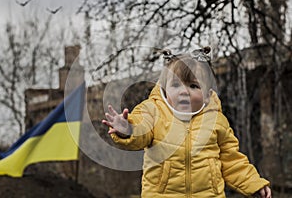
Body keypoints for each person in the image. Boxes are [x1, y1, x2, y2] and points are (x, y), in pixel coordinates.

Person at [102, 47, 272, 198]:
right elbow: (141, 131)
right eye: (175, 85)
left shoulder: (216, 121)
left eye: (193, 86)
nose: (184, 91)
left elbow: (232, 160)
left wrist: (253, 184)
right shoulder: (153, 112)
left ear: (207, 94)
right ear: (164, 89)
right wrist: (128, 129)